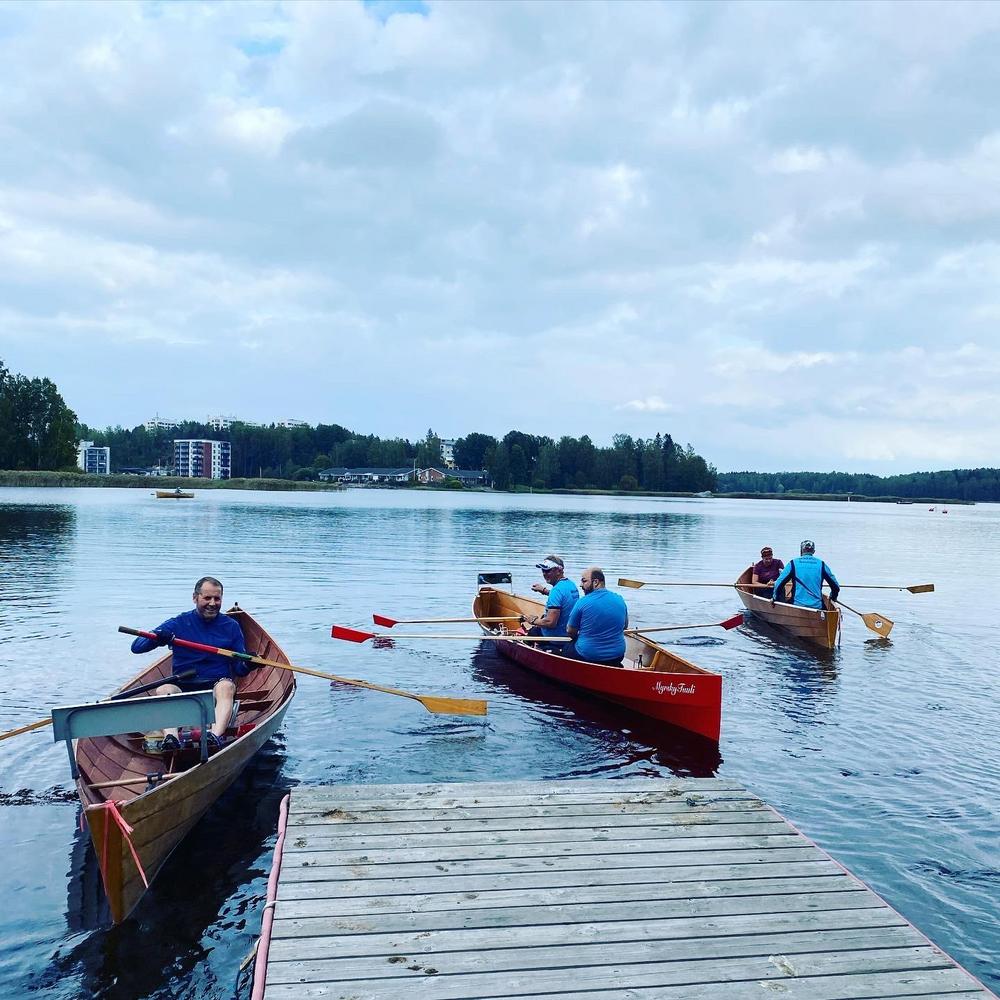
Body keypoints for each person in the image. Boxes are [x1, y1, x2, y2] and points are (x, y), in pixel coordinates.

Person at [131, 576, 251, 752]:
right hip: (183, 684)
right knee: (163, 690)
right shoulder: (179, 623)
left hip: (216, 686)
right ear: (195, 598)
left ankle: (214, 737)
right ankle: (171, 738)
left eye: (217, 599)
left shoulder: (231, 626)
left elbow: (239, 669)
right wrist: (157, 637)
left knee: (227, 686)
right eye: (207, 598)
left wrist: (249, 664)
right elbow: (136, 648)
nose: (212, 603)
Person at [564, 567, 629, 666]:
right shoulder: (620, 599)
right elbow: (625, 626)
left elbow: (570, 631)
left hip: (588, 656)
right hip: (617, 655)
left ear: (595, 582)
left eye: (584, 581)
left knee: (566, 648)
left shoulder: (582, 602)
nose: (581, 585)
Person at [522, 556, 579, 641]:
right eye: (543, 570)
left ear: (559, 571)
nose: (544, 574)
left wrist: (533, 620)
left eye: (548, 570)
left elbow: (550, 622)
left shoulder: (556, 591)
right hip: (568, 635)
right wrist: (544, 591)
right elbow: (563, 598)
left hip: (555, 639)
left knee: (533, 632)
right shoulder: (571, 585)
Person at [771, 541, 840, 609]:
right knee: (825, 608)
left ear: (801, 551)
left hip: (797, 605)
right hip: (817, 606)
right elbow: (836, 587)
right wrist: (833, 597)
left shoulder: (793, 563)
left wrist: (775, 598)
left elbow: (779, 584)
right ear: (813, 551)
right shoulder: (821, 564)